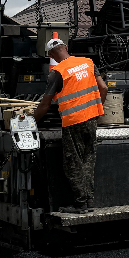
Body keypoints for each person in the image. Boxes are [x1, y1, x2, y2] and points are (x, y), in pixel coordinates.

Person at [32, 36, 107, 212]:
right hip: (91, 119)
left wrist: (32, 121)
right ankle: (89, 201)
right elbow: (103, 88)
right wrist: (97, 110)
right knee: (88, 160)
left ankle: (80, 204)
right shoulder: (88, 62)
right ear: (65, 47)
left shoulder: (57, 72)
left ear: (51, 54)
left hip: (74, 122)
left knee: (72, 162)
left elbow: (45, 104)